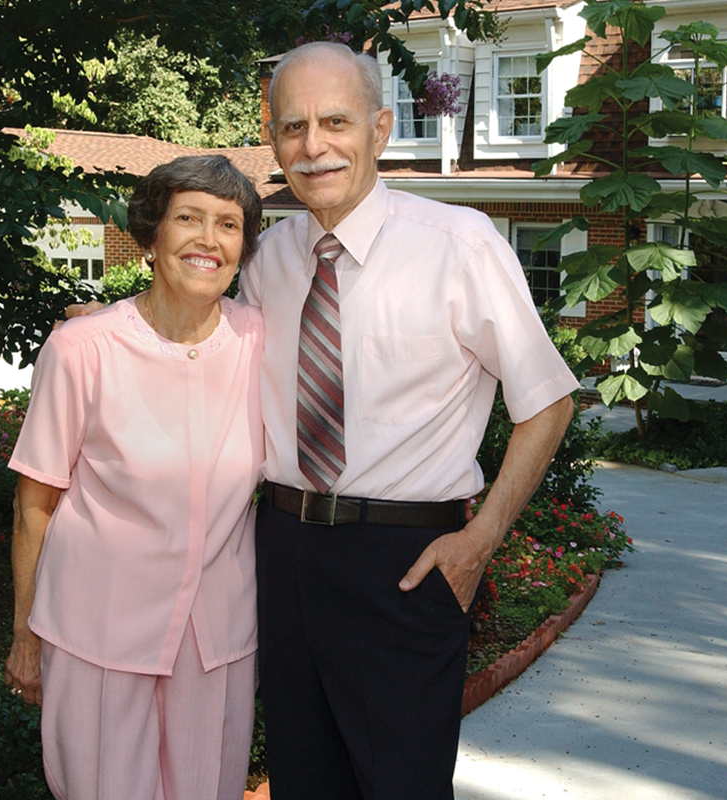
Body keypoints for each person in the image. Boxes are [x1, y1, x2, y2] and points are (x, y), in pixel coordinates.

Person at [240, 42, 579, 800]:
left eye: (335, 121)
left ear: (382, 128)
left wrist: (479, 542)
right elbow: (201, 347)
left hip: (404, 561)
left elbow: (548, 402)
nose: (313, 145)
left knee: (402, 785)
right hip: (283, 549)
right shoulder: (266, 258)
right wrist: (116, 325)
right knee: (304, 778)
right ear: (272, 139)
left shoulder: (458, 244)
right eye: (292, 126)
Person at [4, 155, 265, 800]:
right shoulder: (81, 348)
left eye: (228, 225)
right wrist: (24, 635)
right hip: (98, 630)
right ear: (150, 236)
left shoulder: (262, 339)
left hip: (216, 643)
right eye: (188, 219)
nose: (209, 239)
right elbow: (34, 502)